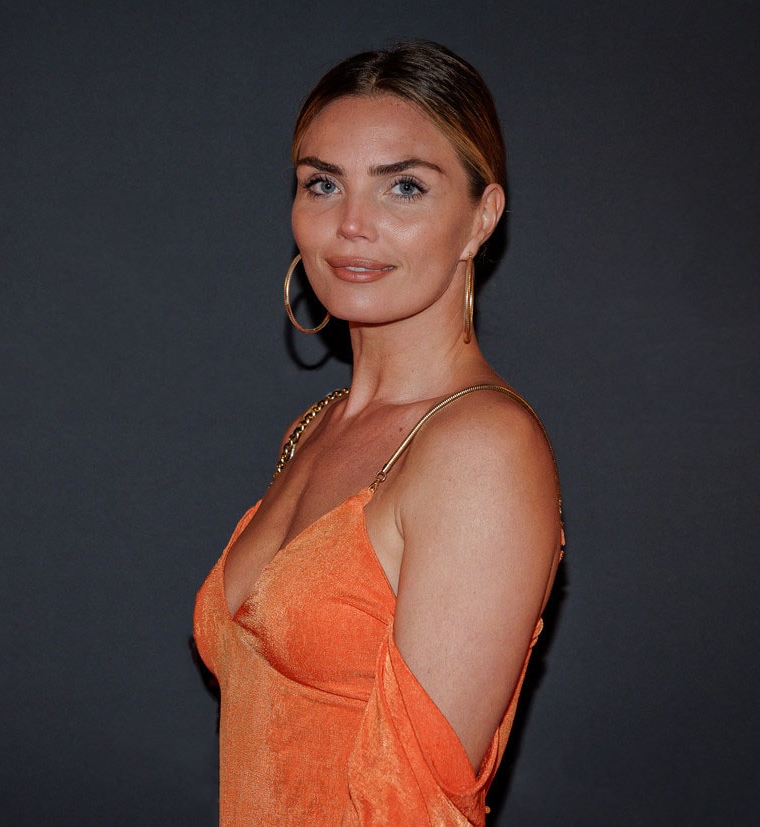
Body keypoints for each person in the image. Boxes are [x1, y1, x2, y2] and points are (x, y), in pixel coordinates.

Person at [193, 41, 564, 826]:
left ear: (481, 217)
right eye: (322, 184)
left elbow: (412, 805)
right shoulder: (318, 425)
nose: (351, 225)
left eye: (404, 187)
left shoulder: (481, 449)